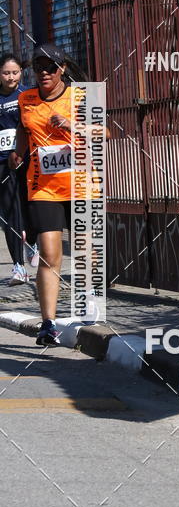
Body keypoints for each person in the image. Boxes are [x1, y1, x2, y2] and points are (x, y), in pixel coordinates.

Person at [9, 44, 90, 346]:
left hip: (81, 184)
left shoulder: (81, 96)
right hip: (43, 187)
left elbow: (105, 133)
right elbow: (23, 128)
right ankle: (48, 324)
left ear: (62, 69)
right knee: (50, 253)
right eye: (38, 67)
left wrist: (73, 125)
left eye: (50, 67)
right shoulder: (26, 99)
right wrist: (18, 151)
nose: (44, 72)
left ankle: (89, 310)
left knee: (86, 252)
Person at [0, 54, 38, 284]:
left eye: (15, 72)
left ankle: (31, 241)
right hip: (2, 162)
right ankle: (18, 267)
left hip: (26, 158)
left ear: (21, 73)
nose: (11, 77)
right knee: (10, 213)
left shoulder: (27, 94)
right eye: (6, 73)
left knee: (29, 207)